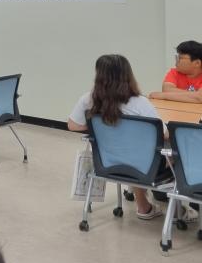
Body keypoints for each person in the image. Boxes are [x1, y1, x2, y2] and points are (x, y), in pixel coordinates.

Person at [68, 54, 175, 221]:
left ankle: (143, 205)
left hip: (107, 162)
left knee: (132, 151)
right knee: (175, 152)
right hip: (144, 166)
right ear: (128, 75)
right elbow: (164, 134)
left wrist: (98, 127)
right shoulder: (140, 103)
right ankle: (180, 210)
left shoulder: (88, 99)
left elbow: (72, 125)